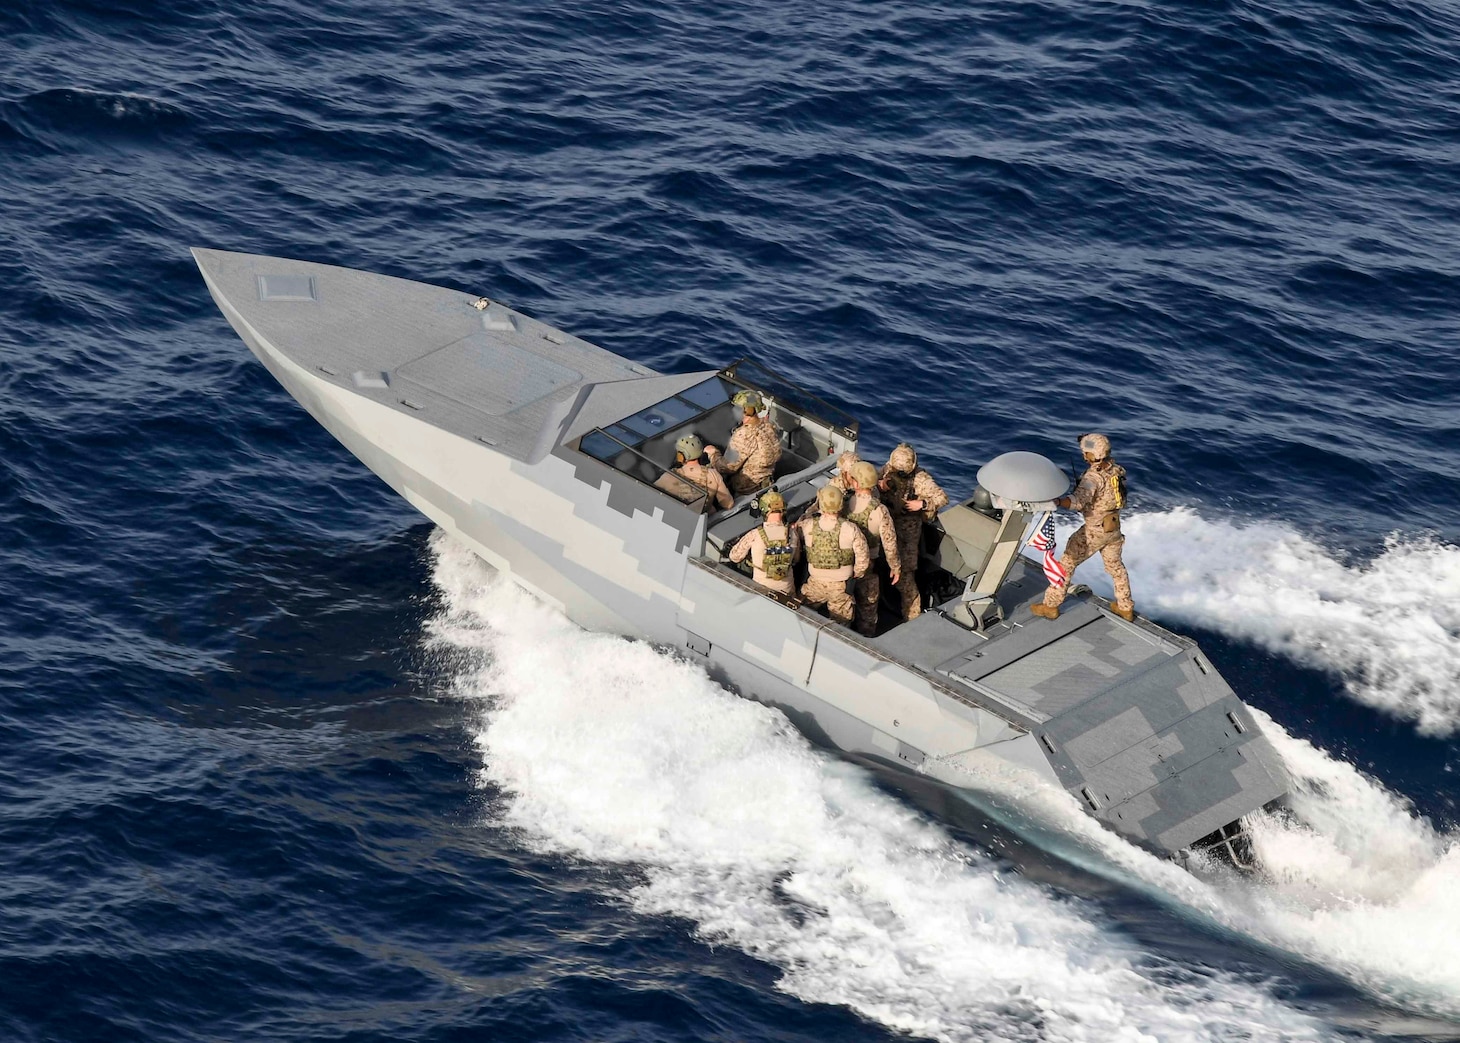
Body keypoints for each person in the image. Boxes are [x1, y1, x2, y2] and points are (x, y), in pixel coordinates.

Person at [1030, 432, 1135, 622]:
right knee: (1116, 567)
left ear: (1092, 454)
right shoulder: (1116, 469)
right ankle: (1125, 607)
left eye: (1085, 452)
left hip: (1095, 531)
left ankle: (1050, 606)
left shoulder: (1093, 477)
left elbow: (1078, 502)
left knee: (1066, 564)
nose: (1083, 455)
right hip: (1113, 527)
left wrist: (1057, 501)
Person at [878, 443, 948, 620]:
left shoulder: (920, 478)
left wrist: (922, 504)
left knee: (906, 576)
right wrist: (881, 485)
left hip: (907, 532)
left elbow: (942, 498)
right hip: (886, 524)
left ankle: (912, 617)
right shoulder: (888, 469)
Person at [798, 484, 868, 625]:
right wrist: (857, 574)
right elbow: (863, 558)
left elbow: (794, 541)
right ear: (841, 505)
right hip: (840, 587)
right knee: (841, 626)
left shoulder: (807, 525)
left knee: (801, 618)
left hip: (814, 585)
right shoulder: (851, 529)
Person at [843, 462, 900, 636]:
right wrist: (895, 567)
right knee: (868, 603)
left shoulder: (844, 501)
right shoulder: (879, 510)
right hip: (868, 564)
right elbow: (889, 542)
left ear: (856, 483)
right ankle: (866, 634)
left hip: (843, 562)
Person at [708, 389, 782, 496]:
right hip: (765, 484)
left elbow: (728, 467)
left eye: (737, 408)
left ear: (747, 411)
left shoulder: (744, 434)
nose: (734, 410)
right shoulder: (768, 426)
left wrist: (713, 454)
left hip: (745, 490)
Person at [728, 490, 801, 595]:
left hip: (761, 590)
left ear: (763, 509)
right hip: (787, 590)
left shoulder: (755, 534)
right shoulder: (793, 534)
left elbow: (734, 557)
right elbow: (796, 559)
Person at [655, 433, 733, 512]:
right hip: (705, 519)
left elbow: (651, 494)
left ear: (681, 455)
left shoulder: (669, 477)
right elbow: (728, 504)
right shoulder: (713, 474)